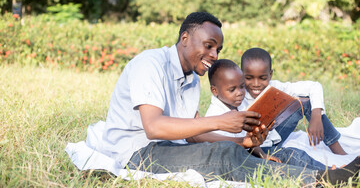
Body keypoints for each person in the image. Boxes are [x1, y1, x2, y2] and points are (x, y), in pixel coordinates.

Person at [89, 12, 358, 185]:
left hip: (166, 146)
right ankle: (321, 180)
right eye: (208, 46)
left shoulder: (192, 80)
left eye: (218, 49)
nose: (215, 55)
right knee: (223, 157)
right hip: (136, 153)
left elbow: (192, 134)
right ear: (185, 38)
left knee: (237, 150)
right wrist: (221, 120)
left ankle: (327, 170)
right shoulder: (150, 64)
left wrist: (243, 140)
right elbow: (154, 127)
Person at [205, 59, 336, 170]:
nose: (240, 93)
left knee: (303, 104)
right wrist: (262, 156)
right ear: (214, 90)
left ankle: (335, 162)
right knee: (291, 155)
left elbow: (250, 142)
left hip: (260, 145)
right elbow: (236, 149)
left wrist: (263, 150)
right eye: (232, 89)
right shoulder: (215, 117)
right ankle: (328, 172)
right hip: (246, 159)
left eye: (241, 86)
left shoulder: (236, 102)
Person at [239, 47, 348, 157]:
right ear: (241, 75)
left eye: (262, 78)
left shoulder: (275, 87)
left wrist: (316, 115)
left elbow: (314, 86)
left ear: (270, 75)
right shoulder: (237, 95)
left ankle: (339, 151)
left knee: (305, 102)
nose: (256, 83)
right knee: (294, 156)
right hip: (256, 149)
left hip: (274, 137)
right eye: (249, 78)